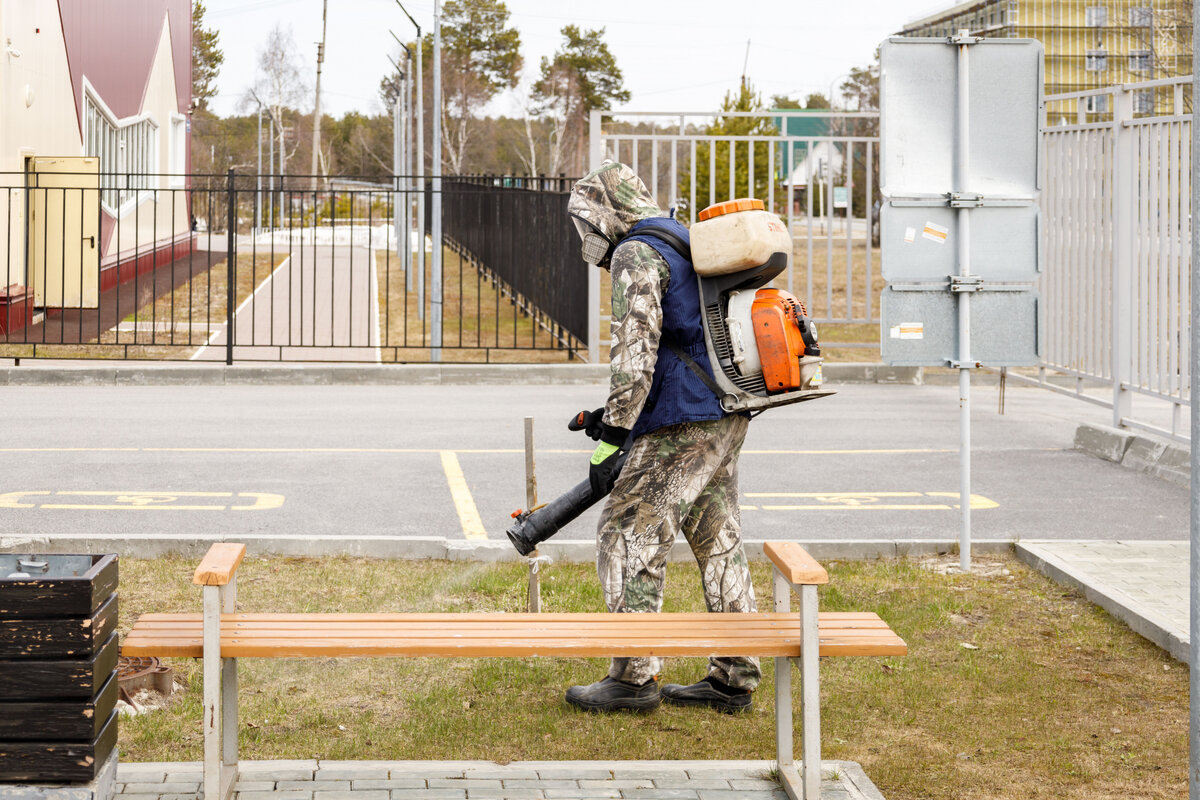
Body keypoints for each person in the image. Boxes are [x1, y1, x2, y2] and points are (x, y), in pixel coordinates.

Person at [563, 161, 760, 714]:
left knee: (626, 530)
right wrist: (616, 416)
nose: (588, 236)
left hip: (680, 420)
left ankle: (633, 678)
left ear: (603, 210)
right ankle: (734, 676)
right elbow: (685, 338)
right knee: (717, 536)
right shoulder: (681, 237)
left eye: (586, 222)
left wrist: (615, 434)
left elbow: (635, 350)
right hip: (726, 408)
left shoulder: (635, 252)